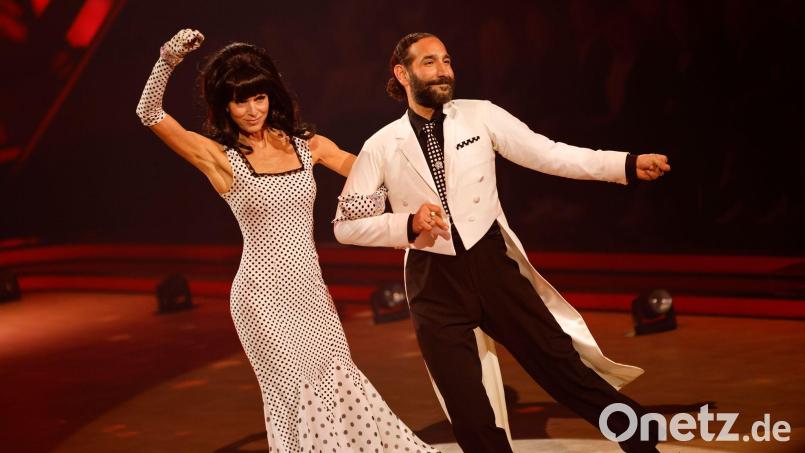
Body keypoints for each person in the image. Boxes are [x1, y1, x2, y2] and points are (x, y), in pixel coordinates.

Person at [333, 32, 671, 453]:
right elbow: (346, 226)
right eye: (429, 62)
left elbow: (551, 154)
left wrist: (625, 164)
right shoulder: (381, 145)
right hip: (433, 282)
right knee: (468, 410)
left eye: (447, 60)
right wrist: (406, 225)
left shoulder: (481, 116)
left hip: (491, 264)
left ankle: (639, 435)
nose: (443, 70)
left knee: (564, 372)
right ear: (402, 74)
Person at [136, 29, 436, 453]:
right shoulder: (221, 158)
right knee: (292, 393)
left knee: (338, 382)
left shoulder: (307, 145)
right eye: (241, 101)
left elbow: (371, 173)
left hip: (310, 291)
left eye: (259, 98)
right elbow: (148, 113)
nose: (253, 109)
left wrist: (418, 205)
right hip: (260, 299)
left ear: (272, 96)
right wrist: (167, 60)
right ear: (226, 105)